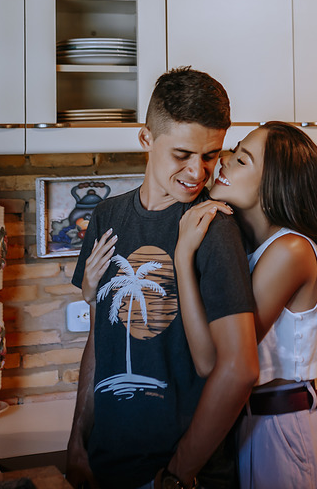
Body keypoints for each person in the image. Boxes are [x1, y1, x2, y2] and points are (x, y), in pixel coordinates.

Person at [68, 67, 258, 489]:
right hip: (107, 465)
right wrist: (78, 438)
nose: (198, 172)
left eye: (210, 155)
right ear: (146, 138)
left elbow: (237, 369)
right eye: (183, 155)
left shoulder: (212, 226)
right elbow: (101, 336)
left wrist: (177, 474)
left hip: (180, 475)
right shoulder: (105, 218)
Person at [174, 121, 317, 489]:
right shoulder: (251, 248)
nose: (223, 161)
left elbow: (213, 360)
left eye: (241, 159)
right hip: (254, 428)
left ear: (274, 183)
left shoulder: (290, 251)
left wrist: (182, 258)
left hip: (287, 431)